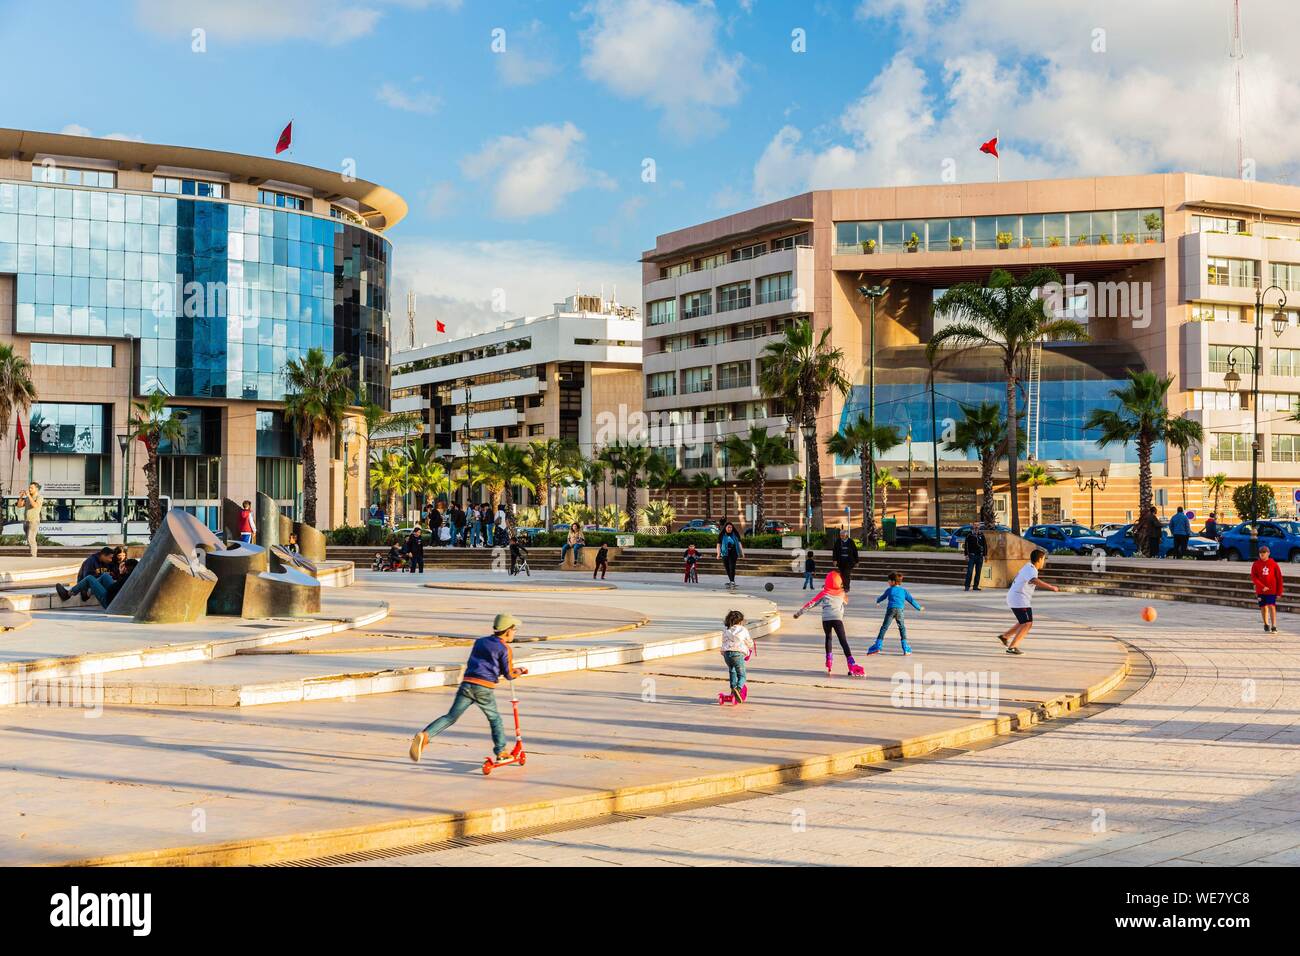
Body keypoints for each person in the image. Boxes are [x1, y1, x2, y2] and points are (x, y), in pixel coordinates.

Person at [409, 612, 529, 764]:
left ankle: (425, 735)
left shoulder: (480, 642)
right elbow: (509, 674)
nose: (515, 632)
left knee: (451, 716)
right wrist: (520, 670)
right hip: (483, 688)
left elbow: (480, 662)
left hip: (467, 684)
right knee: (495, 719)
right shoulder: (504, 649)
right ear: (507, 631)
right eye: (514, 629)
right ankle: (501, 751)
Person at [794, 570, 863, 676]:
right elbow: (846, 601)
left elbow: (812, 603)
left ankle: (829, 661)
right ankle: (851, 663)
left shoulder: (824, 592)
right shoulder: (841, 593)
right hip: (837, 619)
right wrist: (841, 591)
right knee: (843, 641)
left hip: (826, 619)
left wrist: (799, 613)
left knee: (828, 638)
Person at [998, 548, 1060, 655]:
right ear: (1039, 559)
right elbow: (1034, 580)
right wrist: (1051, 587)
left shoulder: (1029, 567)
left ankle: (1005, 636)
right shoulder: (1031, 569)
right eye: (1043, 559)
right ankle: (1012, 647)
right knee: (1027, 623)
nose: (1043, 562)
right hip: (1019, 599)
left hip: (1018, 598)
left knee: (1023, 622)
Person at [868, 571, 923, 656]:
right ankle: (905, 648)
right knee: (902, 628)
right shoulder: (904, 591)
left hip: (890, 610)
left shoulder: (889, 590)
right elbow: (911, 600)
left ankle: (878, 646)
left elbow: (882, 597)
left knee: (884, 627)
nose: (888, 582)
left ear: (893, 582)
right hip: (900, 611)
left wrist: (878, 600)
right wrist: (919, 608)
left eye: (889, 580)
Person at [718, 609, 755, 706]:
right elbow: (749, 642)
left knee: (732, 671)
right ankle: (738, 689)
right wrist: (750, 644)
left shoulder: (726, 630)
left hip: (727, 654)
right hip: (738, 654)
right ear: (740, 621)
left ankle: (732, 689)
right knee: (742, 675)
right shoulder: (743, 629)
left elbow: (723, 641)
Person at [1251, 544, 1283, 633]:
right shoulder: (1256, 564)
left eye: (1264, 552)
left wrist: (1279, 592)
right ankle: (1266, 624)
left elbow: (1279, 578)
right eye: (1260, 553)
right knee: (1263, 607)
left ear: (1268, 553)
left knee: (1271, 606)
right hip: (1261, 590)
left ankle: (1274, 626)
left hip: (1271, 590)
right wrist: (1261, 586)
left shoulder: (1274, 564)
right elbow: (1254, 577)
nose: (1262, 554)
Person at [716, 520, 744, 590]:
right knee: (727, 568)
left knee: (732, 567)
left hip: (734, 553)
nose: (729, 529)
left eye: (731, 527)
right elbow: (718, 545)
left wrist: (742, 553)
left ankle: (732, 581)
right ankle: (732, 581)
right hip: (725, 553)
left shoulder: (735, 534)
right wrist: (718, 554)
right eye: (728, 527)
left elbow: (739, 544)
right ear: (725, 528)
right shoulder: (722, 535)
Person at [17, 482, 43, 558]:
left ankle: (33, 556)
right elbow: (19, 505)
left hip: (34, 521)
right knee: (28, 539)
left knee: (31, 538)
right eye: (29, 488)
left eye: (31, 488)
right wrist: (21, 497)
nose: (29, 489)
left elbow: (35, 505)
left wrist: (28, 495)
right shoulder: (28, 497)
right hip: (26, 521)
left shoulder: (39, 497)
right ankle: (32, 554)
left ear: (36, 489)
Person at [964, 521, 987, 591]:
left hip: (979, 556)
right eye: (975, 525)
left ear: (979, 526)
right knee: (970, 571)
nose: (976, 526)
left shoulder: (981, 535)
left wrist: (985, 555)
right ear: (973, 526)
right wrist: (966, 555)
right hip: (972, 556)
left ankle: (975, 586)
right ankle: (967, 586)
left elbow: (985, 545)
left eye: (978, 525)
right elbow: (966, 545)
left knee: (978, 572)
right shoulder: (969, 535)